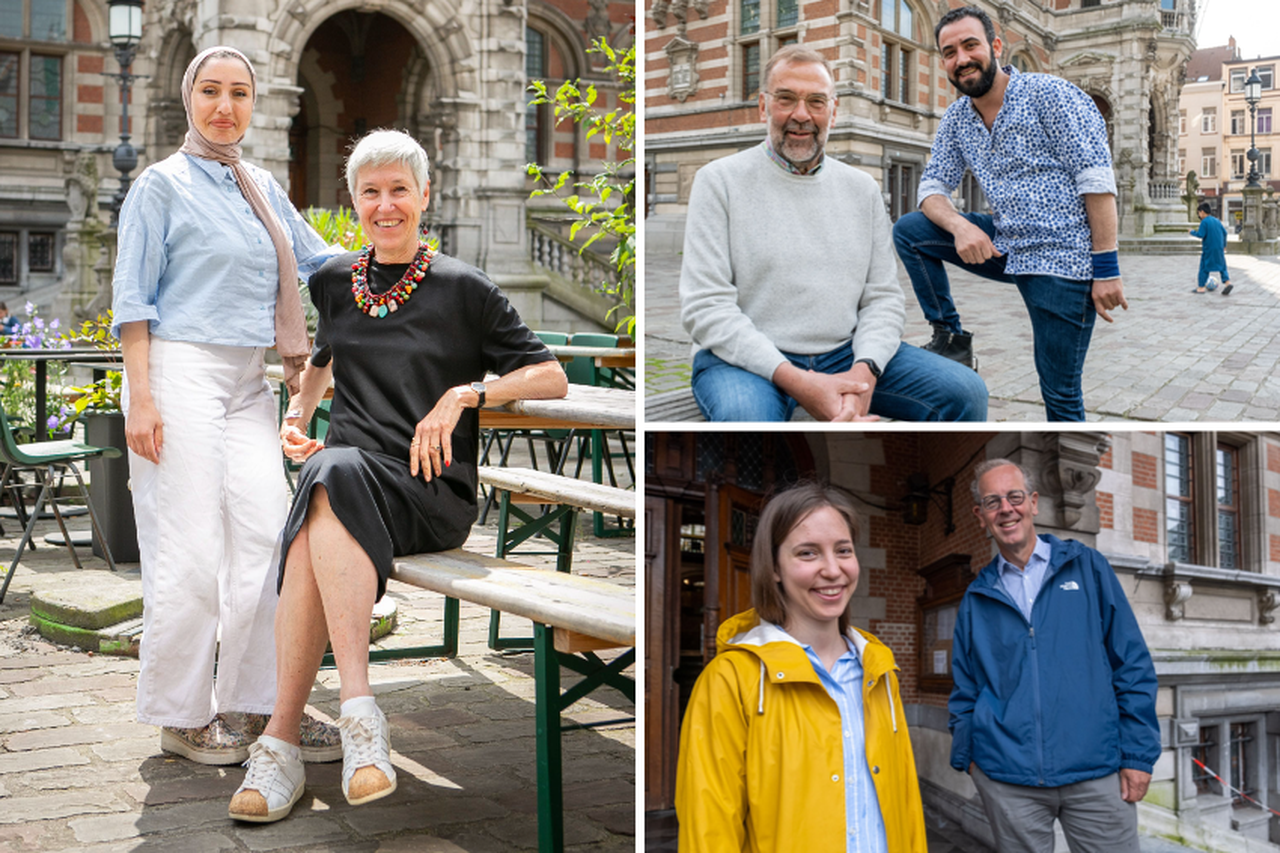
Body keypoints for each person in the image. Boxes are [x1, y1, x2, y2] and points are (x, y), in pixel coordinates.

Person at [226, 129, 568, 823]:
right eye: (371, 193)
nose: (386, 206)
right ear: (354, 202)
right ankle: (326, 729)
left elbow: (550, 375)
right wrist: (299, 412)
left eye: (399, 191)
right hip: (344, 479)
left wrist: (466, 394)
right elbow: (324, 354)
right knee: (326, 479)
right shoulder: (334, 280)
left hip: (427, 491)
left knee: (327, 479)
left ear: (424, 196)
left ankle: (305, 732)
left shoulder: (463, 288)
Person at [112, 46, 343, 765]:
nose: (224, 106)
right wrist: (141, 398)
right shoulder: (159, 186)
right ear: (189, 98)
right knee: (188, 550)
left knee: (269, 540)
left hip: (249, 378)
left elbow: (321, 262)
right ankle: (180, 716)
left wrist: (406, 263)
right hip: (177, 370)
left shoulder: (261, 185)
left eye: (239, 92)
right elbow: (132, 302)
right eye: (210, 91)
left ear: (254, 102)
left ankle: (255, 703)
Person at [678, 45, 987, 423]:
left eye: (816, 102)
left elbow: (883, 299)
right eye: (786, 99)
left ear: (834, 112)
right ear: (763, 106)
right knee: (747, 419)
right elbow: (706, 308)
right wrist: (799, 382)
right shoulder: (718, 181)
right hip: (743, 361)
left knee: (966, 392)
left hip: (844, 352)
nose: (801, 115)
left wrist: (865, 372)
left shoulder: (862, 188)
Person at [891, 5, 1127, 422]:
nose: (961, 59)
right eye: (949, 52)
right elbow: (931, 189)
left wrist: (1105, 267)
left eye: (970, 45)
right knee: (911, 230)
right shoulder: (957, 118)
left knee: (1059, 394)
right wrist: (960, 226)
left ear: (995, 47)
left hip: (1062, 261)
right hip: (1005, 244)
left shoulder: (1050, 94)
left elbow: (1096, 179)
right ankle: (951, 339)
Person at [676, 482, 927, 852]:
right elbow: (708, 827)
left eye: (843, 550)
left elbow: (906, 803)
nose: (832, 570)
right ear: (774, 567)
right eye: (808, 553)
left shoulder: (880, 670)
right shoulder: (731, 679)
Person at [949, 459, 1161, 853]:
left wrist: (1137, 755)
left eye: (1014, 497)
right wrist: (970, 758)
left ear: (1033, 503)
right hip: (1008, 780)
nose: (1006, 509)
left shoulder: (1087, 566)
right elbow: (965, 687)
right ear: (981, 516)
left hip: (1097, 773)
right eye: (993, 502)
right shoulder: (976, 598)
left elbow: (1131, 664)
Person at [1189, 201, 1232, 295]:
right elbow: (1225, 233)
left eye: (1199, 213)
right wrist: (1224, 245)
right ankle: (1227, 283)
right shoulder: (1217, 221)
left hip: (1209, 248)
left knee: (1204, 267)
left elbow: (1201, 234)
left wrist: (1192, 232)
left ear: (1202, 212)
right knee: (1222, 266)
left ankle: (1201, 287)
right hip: (1219, 248)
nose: (1199, 215)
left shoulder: (1204, 222)